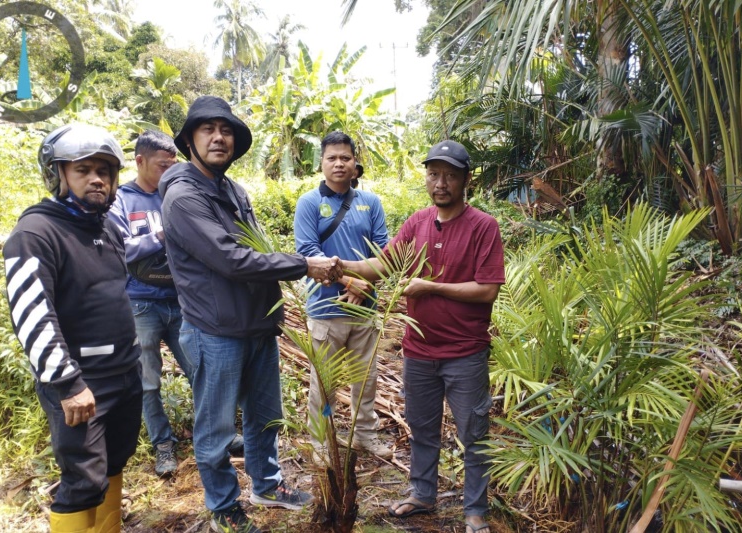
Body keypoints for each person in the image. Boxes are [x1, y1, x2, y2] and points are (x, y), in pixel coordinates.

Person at [159, 96, 341, 533]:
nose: (219, 137)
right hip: (215, 329)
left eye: (226, 130)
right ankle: (224, 508)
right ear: (190, 140)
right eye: (208, 129)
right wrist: (303, 264)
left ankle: (267, 485)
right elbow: (231, 259)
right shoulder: (183, 197)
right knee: (216, 429)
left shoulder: (232, 190)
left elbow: (257, 247)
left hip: (256, 324)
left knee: (266, 416)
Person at [342, 140, 504, 533]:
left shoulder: (484, 226)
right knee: (422, 428)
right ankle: (421, 493)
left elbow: (487, 290)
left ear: (466, 179)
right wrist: (338, 265)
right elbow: (383, 264)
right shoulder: (417, 222)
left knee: (473, 433)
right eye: (433, 174)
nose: (440, 183)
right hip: (419, 350)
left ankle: (475, 509)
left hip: (465, 352)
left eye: (450, 175)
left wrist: (431, 287)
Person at [3, 124, 141, 533]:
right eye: (83, 170)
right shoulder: (35, 233)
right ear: (57, 174)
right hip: (81, 382)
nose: (97, 179)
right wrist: (67, 383)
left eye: (105, 170)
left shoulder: (106, 226)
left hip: (125, 372)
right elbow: (31, 313)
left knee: (114, 462)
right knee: (83, 481)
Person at [293, 132, 391, 461]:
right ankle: (322, 443)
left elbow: (384, 253)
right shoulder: (309, 203)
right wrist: (352, 281)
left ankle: (364, 435)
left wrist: (367, 285)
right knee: (325, 383)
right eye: (332, 158)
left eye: (345, 157)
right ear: (321, 163)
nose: (339, 163)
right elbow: (309, 253)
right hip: (325, 310)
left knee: (367, 379)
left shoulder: (371, 203)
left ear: (355, 163)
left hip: (365, 310)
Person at [108, 130, 194, 477]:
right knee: (147, 381)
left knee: (201, 369)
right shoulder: (121, 200)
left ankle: (214, 433)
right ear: (140, 161)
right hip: (140, 304)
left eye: (173, 165)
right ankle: (163, 445)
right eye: (162, 166)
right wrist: (160, 236)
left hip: (182, 301)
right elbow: (120, 250)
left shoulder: (176, 195)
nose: (169, 172)